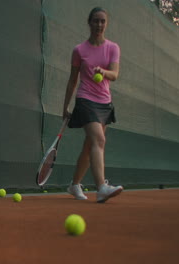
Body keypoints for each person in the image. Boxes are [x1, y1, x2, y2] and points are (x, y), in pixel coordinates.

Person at [62, 7, 123, 203]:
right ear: (89, 23)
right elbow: (73, 80)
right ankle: (101, 188)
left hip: (104, 103)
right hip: (85, 100)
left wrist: (103, 72)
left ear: (106, 24)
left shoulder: (113, 48)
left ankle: (74, 184)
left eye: (102, 21)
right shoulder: (79, 50)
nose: (99, 24)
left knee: (90, 146)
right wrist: (65, 106)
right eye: (96, 21)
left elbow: (114, 74)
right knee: (99, 140)